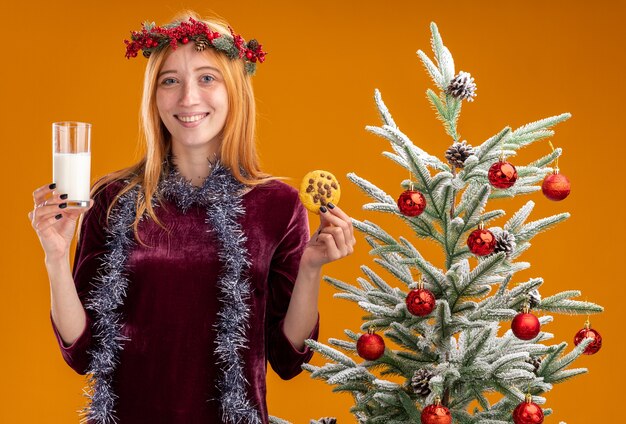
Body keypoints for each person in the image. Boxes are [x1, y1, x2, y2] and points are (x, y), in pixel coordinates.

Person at [28, 11, 355, 424]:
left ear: (234, 90)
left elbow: (289, 359)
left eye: (206, 78)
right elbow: (82, 351)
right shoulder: (113, 198)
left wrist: (311, 269)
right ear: (154, 96)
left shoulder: (278, 204)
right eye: (170, 80)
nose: (187, 98)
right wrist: (55, 257)